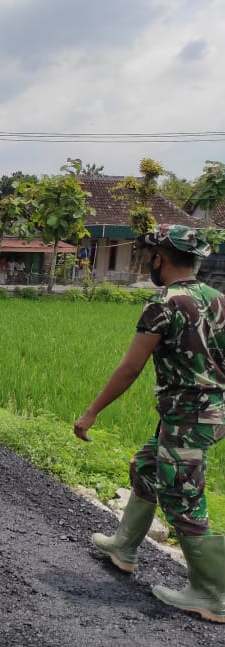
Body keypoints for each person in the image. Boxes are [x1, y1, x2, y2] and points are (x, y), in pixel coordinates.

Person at [75, 225, 225, 623]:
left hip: (187, 416)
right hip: (207, 412)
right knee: (147, 464)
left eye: (148, 256)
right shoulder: (217, 300)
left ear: (159, 258)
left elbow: (130, 367)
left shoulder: (164, 303)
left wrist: (91, 412)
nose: (147, 261)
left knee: (182, 494)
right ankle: (123, 547)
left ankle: (211, 593)